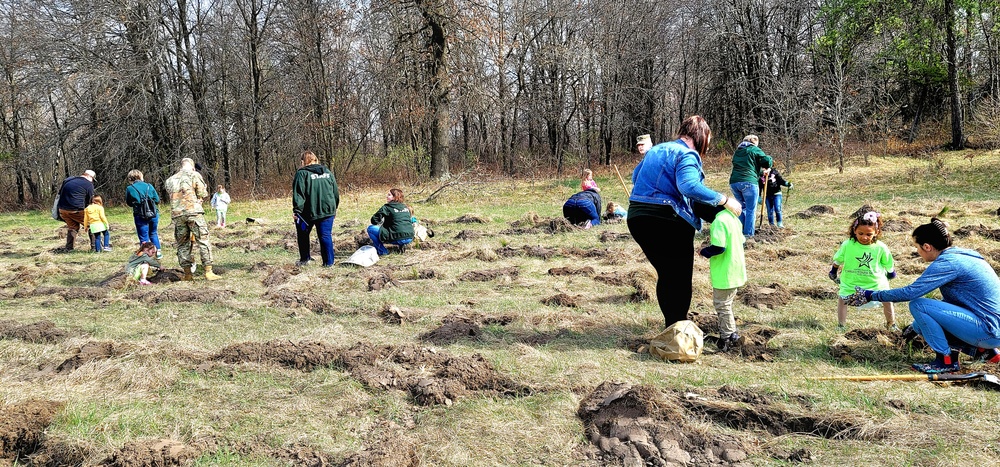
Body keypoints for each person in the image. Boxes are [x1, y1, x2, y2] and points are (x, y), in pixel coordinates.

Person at [628, 115, 742, 328]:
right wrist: (725, 200)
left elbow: (636, 178)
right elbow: (688, 186)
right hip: (667, 220)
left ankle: (672, 325)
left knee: (667, 274)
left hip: (637, 218)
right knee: (679, 278)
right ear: (701, 136)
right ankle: (678, 329)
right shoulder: (687, 153)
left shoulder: (655, 150)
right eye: (708, 140)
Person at [847, 219, 1000, 373]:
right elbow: (953, 306)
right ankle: (984, 352)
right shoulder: (966, 255)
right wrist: (915, 328)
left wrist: (871, 295)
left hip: (988, 331)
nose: (917, 252)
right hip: (992, 329)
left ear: (927, 246)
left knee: (918, 305)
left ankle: (946, 361)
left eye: (917, 247)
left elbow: (911, 292)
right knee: (923, 320)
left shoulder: (947, 263)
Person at [829, 211, 897, 330]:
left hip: (875, 283)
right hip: (851, 282)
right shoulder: (847, 245)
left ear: (876, 232)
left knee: (887, 299)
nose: (864, 237)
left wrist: (891, 272)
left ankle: (891, 324)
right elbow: (838, 259)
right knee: (842, 299)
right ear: (854, 230)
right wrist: (833, 270)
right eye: (860, 233)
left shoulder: (880, 247)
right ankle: (841, 325)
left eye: (869, 234)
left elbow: (888, 262)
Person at [693, 202, 746, 351]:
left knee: (722, 305)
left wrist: (703, 252)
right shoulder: (732, 217)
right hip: (737, 269)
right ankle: (730, 333)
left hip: (725, 272)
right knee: (726, 303)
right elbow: (742, 240)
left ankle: (729, 337)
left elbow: (719, 247)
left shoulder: (719, 222)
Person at [164, 158, 219, 281]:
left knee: (182, 244)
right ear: (192, 167)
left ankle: (188, 274)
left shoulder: (170, 180)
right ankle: (208, 272)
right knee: (203, 240)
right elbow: (203, 193)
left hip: (177, 215)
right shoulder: (194, 175)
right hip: (193, 212)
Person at [292, 151, 340, 266]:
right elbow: (335, 192)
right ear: (316, 160)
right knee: (325, 236)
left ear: (303, 161)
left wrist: (297, 211)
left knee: (303, 234)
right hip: (328, 211)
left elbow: (299, 194)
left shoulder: (302, 174)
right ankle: (329, 263)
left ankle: (305, 259)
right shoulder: (327, 172)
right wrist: (334, 208)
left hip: (308, 212)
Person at [729, 135, 773, 238]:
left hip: (734, 183)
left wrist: (762, 172)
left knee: (741, 208)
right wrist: (770, 162)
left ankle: (740, 232)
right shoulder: (753, 149)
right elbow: (766, 161)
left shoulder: (737, 152)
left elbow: (748, 167)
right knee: (750, 210)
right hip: (749, 183)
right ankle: (748, 235)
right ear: (754, 143)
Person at [125, 169, 162, 259]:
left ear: (130, 178)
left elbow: (129, 203)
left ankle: (146, 255)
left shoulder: (130, 188)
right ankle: (158, 253)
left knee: (143, 237)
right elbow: (157, 200)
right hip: (153, 214)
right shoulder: (149, 186)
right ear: (141, 176)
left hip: (140, 215)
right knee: (153, 233)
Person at [56, 169, 96, 251]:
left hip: (62, 210)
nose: (92, 181)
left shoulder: (69, 180)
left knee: (73, 227)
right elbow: (91, 200)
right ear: (90, 176)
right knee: (93, 225)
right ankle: (95, 247)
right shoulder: (88, 184)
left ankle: (69, 248)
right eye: (92, 179)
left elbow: (60, 194)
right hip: (76, 210)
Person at [367, 188, 414, 255]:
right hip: (410, 237)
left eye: (389, 195)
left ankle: (382, 251)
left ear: (394, 197)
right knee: (398, 227)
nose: (387, 196)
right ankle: (402, 245)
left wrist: (381, 222)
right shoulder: (406, 207)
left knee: (371, 229)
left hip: (397, 238)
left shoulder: (387, 207)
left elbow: (374, 220)